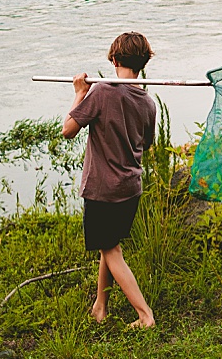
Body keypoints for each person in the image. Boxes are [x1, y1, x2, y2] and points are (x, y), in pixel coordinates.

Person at [60, 31, 158, 327]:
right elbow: (148, 143)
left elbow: (68, 129)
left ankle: (145, 314)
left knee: (111, 250)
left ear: (113, 59)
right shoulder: (148, 103)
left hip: (104, 189)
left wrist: (79, 92)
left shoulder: (101, 92)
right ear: (142, 63)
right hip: (131, 187)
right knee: (110, 245)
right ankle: (100, 306)